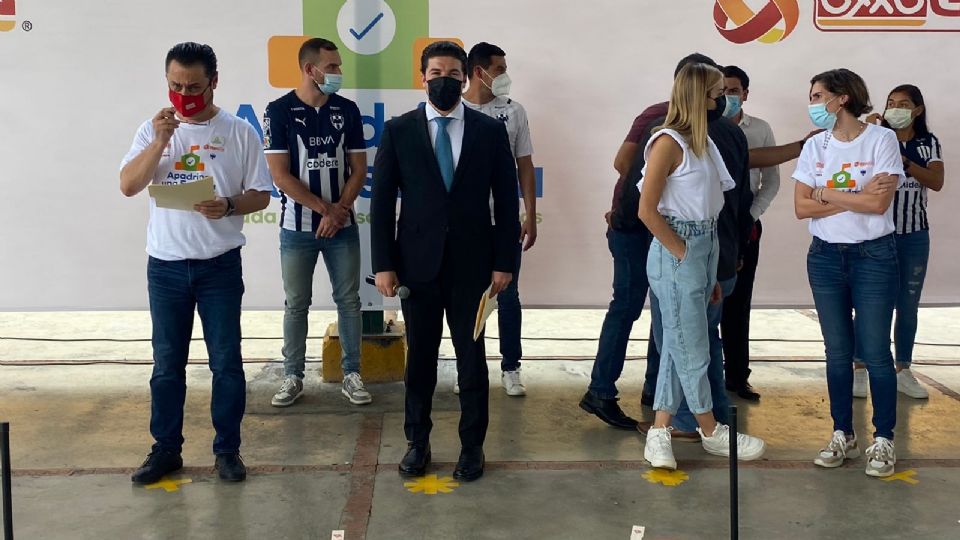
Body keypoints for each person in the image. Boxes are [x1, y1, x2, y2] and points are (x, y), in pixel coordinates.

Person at [120, 42, 273, 484]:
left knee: (226, 362)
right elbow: (129, 185)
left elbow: (261, 193)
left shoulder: (240, 131)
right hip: (165, 267)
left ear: (214, 83)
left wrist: (227, 205)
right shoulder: (153, 130)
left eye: (193, 87)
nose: (183, 94)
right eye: (175, 85)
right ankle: (165, 449)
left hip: (219, 266)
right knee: (167, 364)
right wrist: (163, 141)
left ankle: (227, 450)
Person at [370, 41, 519, 482]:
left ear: (466, 78)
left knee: (471, 360)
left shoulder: (489, 132)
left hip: (473, 268)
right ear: (423, 77)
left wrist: (504, 262)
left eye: (453, 73)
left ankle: (472, 447)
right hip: (417, 268)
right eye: (436, 72)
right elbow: (381, 205)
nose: (444, 80)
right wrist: (384, 264)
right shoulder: (399, 131)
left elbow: (507, 203)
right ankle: (418, 443)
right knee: (420, 362)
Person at [638, 62, 766, 470]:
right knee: (691, 344)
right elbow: (646, 209)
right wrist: (682, 253)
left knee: (678, 343)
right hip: (680, 246)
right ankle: (710, 429)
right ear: (698, 97)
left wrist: (708, 268)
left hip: (705, 244)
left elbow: (714, 206)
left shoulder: (704, 143)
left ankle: (659, 431)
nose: (722, 101)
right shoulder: (667, 143)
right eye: (715, 94)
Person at [579, 53, 714, 430]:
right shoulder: (660, 122)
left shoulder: (704, 128)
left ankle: (658, 397)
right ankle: (601, 391)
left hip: (662, 232)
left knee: (667, 318)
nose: (719, 101)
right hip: (636, 230)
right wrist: (658, 199)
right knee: (628, 306)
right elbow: (625, 163)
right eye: (715, 92)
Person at [793, 68, 903, 478]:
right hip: (824, 257)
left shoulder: (882, 140)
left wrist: (824, 192)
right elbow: (801, 207)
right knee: (837, 352)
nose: (813, 103)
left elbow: (878, 206)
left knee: (875, 352)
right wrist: (852, 196)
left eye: (818, 94)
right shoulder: (814, 146)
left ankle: (884, 438)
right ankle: (843, 433)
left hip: (874, 256)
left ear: (842, 98)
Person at [264, 38, 371, 408]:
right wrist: (326, 210)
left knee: (349, 302)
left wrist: (339, 210)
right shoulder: (278, 111)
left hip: (342, 226)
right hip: (297, 229)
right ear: (311, 70)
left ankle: (352, 373)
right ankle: (292, 375)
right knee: (296, 304)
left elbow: (359, 169)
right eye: (333, 66)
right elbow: (280, 176)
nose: (339, 73)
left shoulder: (348, 110)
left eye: (339, 66)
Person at [851, 85, 944, 400]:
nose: (896, 109)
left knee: (907, 305)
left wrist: (904, 161)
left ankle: (903, 369)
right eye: (891, 103)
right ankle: (860, 368)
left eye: (903, 104)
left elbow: (936, 180)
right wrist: (874, 135)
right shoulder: (875, 138)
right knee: (869, 303)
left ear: (917, 110)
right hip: (877, 233)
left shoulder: (928, 143)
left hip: (914, 235)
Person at [460, 41, 537, 397]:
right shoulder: (454, 109)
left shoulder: (514, 111)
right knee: (465, 296)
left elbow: (524, 166)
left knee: (508, 294)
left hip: (504, 221)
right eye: (500, 69)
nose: (505, 76)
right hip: (465, 223)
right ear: (480, 72)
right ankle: (468, 368)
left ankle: (511, 367)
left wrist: (530, 215)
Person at [719, 65, 780, 401]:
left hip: (746, 225)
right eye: (723, 90)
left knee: (739, 303)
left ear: (745, 93)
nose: (728, 96)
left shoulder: (760, 129)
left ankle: (737, 376)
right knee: (708, 301)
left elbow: (771, 181)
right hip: (711, 225)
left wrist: (749, 218)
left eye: (734, 90)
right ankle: (710, 373)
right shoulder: (705, 128)